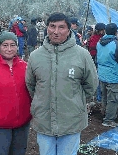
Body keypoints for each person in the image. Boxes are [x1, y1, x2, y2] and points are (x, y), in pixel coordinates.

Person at [26, 12, 99, 155]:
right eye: (52, 26)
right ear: (47, 28)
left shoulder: (82, 55)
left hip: (71, 120)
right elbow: (31, 85)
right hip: (44, 119)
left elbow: (91, 85)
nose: (56, 32)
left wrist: (75, 102)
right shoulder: (36, 56)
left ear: (69, 30)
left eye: (61, 27)